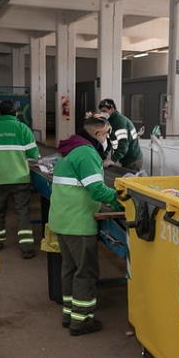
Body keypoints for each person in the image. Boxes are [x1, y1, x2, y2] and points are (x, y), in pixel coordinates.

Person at [49, 113, 123, 336]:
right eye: (107, 134)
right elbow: (98, 190)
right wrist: (123, 199)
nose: (108, 138)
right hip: (78, 223)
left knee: (70, 269)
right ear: (100, 133)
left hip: (63, 219)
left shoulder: (72, 149)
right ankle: (81, 322)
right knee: (86, 272)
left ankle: (69, 314)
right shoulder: (87, 154)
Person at [0, 99, 39, 259]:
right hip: (20, 179)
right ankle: (27, 248)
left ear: (0, 113)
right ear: (16, 113)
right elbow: (34, 155)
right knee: (22, 213)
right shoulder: (23, 129)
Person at [97, 98, 142, 171]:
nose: (102, 113)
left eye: (104, 111)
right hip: (126, 158)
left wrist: (112, 160)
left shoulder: (120, 122)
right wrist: (103, 156)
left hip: (132, 160)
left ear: (111, 109)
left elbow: (123, 145)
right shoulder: (110, 122)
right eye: (101, 111)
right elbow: (109, 141)